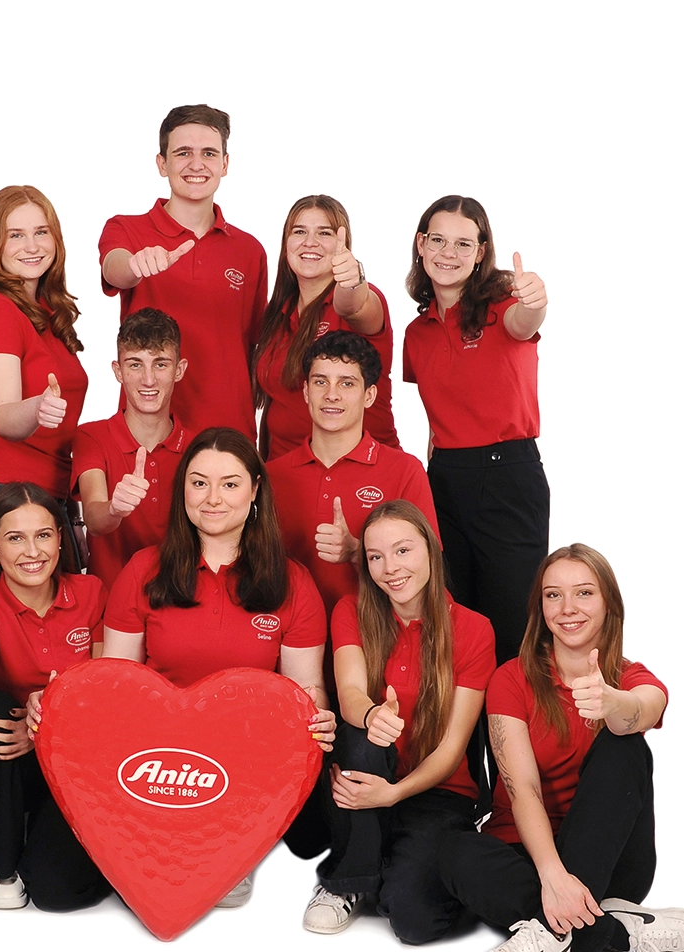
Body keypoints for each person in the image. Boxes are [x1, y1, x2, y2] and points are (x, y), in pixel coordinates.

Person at [439, 545, 684, 952]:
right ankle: (620, 931)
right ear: (540, 608)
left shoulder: (630, 676)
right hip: (529, 854)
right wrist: (553, 877)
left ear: (609, 603)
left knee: (624, 745)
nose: (567, 608)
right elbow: (524, 790)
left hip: (611, 861)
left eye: (584, 593)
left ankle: (549, 937)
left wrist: (614, 703)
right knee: (454, 853)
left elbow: (646, 706)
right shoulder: (510, 678)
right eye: (553, 595)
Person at [102, 427, 336, 906]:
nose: (212, 498)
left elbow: (304, 690)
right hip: (161, 751)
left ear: (254, 491)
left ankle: (235, 845)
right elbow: (116, 687)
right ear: (182, 491)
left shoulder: (292, 582)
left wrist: (319, 716)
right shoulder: (143, 570)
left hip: (248, 755)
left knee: (315, 826)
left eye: (230, 484)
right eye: (199, 483)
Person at [302, 501, 495, 938]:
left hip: (435, 791)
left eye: (403, 550)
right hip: (369, 774)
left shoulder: (474, 629)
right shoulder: (351, 610)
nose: (390, 568)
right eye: (375, 556)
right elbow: (350, 693)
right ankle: (348, 881)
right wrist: (372, 714)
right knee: (361, 738)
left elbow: (453, 748)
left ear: (431, 549)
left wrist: (395, 795)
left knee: (414, 922)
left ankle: (399, 867)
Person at [402, 195, 549, 666]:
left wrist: (535, 301)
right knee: (454, 625)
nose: (448, 253)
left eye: (464, 243)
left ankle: (512, 717)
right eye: (438, 240)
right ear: (421, 245)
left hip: (508, 477)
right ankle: (462, 720)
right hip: (445, 480)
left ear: (481, 251)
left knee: (512, 627)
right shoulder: (417, 332)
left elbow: (524, 324)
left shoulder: (505, 305)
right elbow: (436, 418)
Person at [0, 483, 109, 912]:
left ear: (60, 538)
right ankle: (1, 860)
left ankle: (53, 834)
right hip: (10, 764)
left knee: (58, 893)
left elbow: (106, 687)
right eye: (15, 538)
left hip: (76, 756)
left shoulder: (91, 592)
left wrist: (47, 725)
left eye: (42, 535)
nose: (32, 551)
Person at [98, 105, 267, 440]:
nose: (196, 164)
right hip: (148, 432)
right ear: (162, 164)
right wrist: (134, 265)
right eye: (183, 153)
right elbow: (114, 268)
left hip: (229, 434)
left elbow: (253, 347)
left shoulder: (250, 251)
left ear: (225, 164)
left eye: (209, 153)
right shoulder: (126, 229)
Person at [0, 186, 88, 569]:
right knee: (5, 607)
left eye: (41, 232)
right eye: (16, 235)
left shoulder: (45, 310)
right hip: (0, 491)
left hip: (44, 494)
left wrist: (71, 512)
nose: (32, 245)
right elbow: (4, 415)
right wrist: (37, 407)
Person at [268, 330, 438, 625]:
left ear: (369, 395)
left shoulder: (404, 471)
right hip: (289, 635)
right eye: (320, 381)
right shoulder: (272, 475)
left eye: (346, 383)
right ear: (306, 391)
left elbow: (428, 569)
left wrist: (356, 551)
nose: (331, 394)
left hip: (375, 634)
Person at [255, 195, 396, 459]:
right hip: (285, 469)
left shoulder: (361, 300)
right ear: (286, 244)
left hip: (362, 468)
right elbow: (277, 406)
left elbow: (353, 305)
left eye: (324, 233)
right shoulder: (279, 312)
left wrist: (352, 282)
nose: (310, 242)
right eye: (300, 231)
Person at [72, 308, 190, 589]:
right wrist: (114, 509)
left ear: (179, 370)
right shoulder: (92, 436)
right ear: (118, 371)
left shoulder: (198, 448)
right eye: (135, 365)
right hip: (110, 599)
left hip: (178, 599)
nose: (148, 379)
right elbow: (94, 518)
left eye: (160, 364)